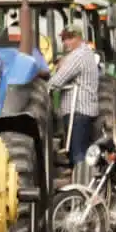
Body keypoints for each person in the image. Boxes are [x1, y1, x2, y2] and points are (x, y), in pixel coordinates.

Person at [47, 25, 103, 168]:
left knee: (77, 154)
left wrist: (44, 84)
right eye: (64, 39)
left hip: (78, 110)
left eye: (69, 39)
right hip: (85, 110)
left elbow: (57, 81)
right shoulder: (86, 53)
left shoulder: (78, 55)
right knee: (82, 151)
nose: (65, 42)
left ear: (78, 38)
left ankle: (81, 183)